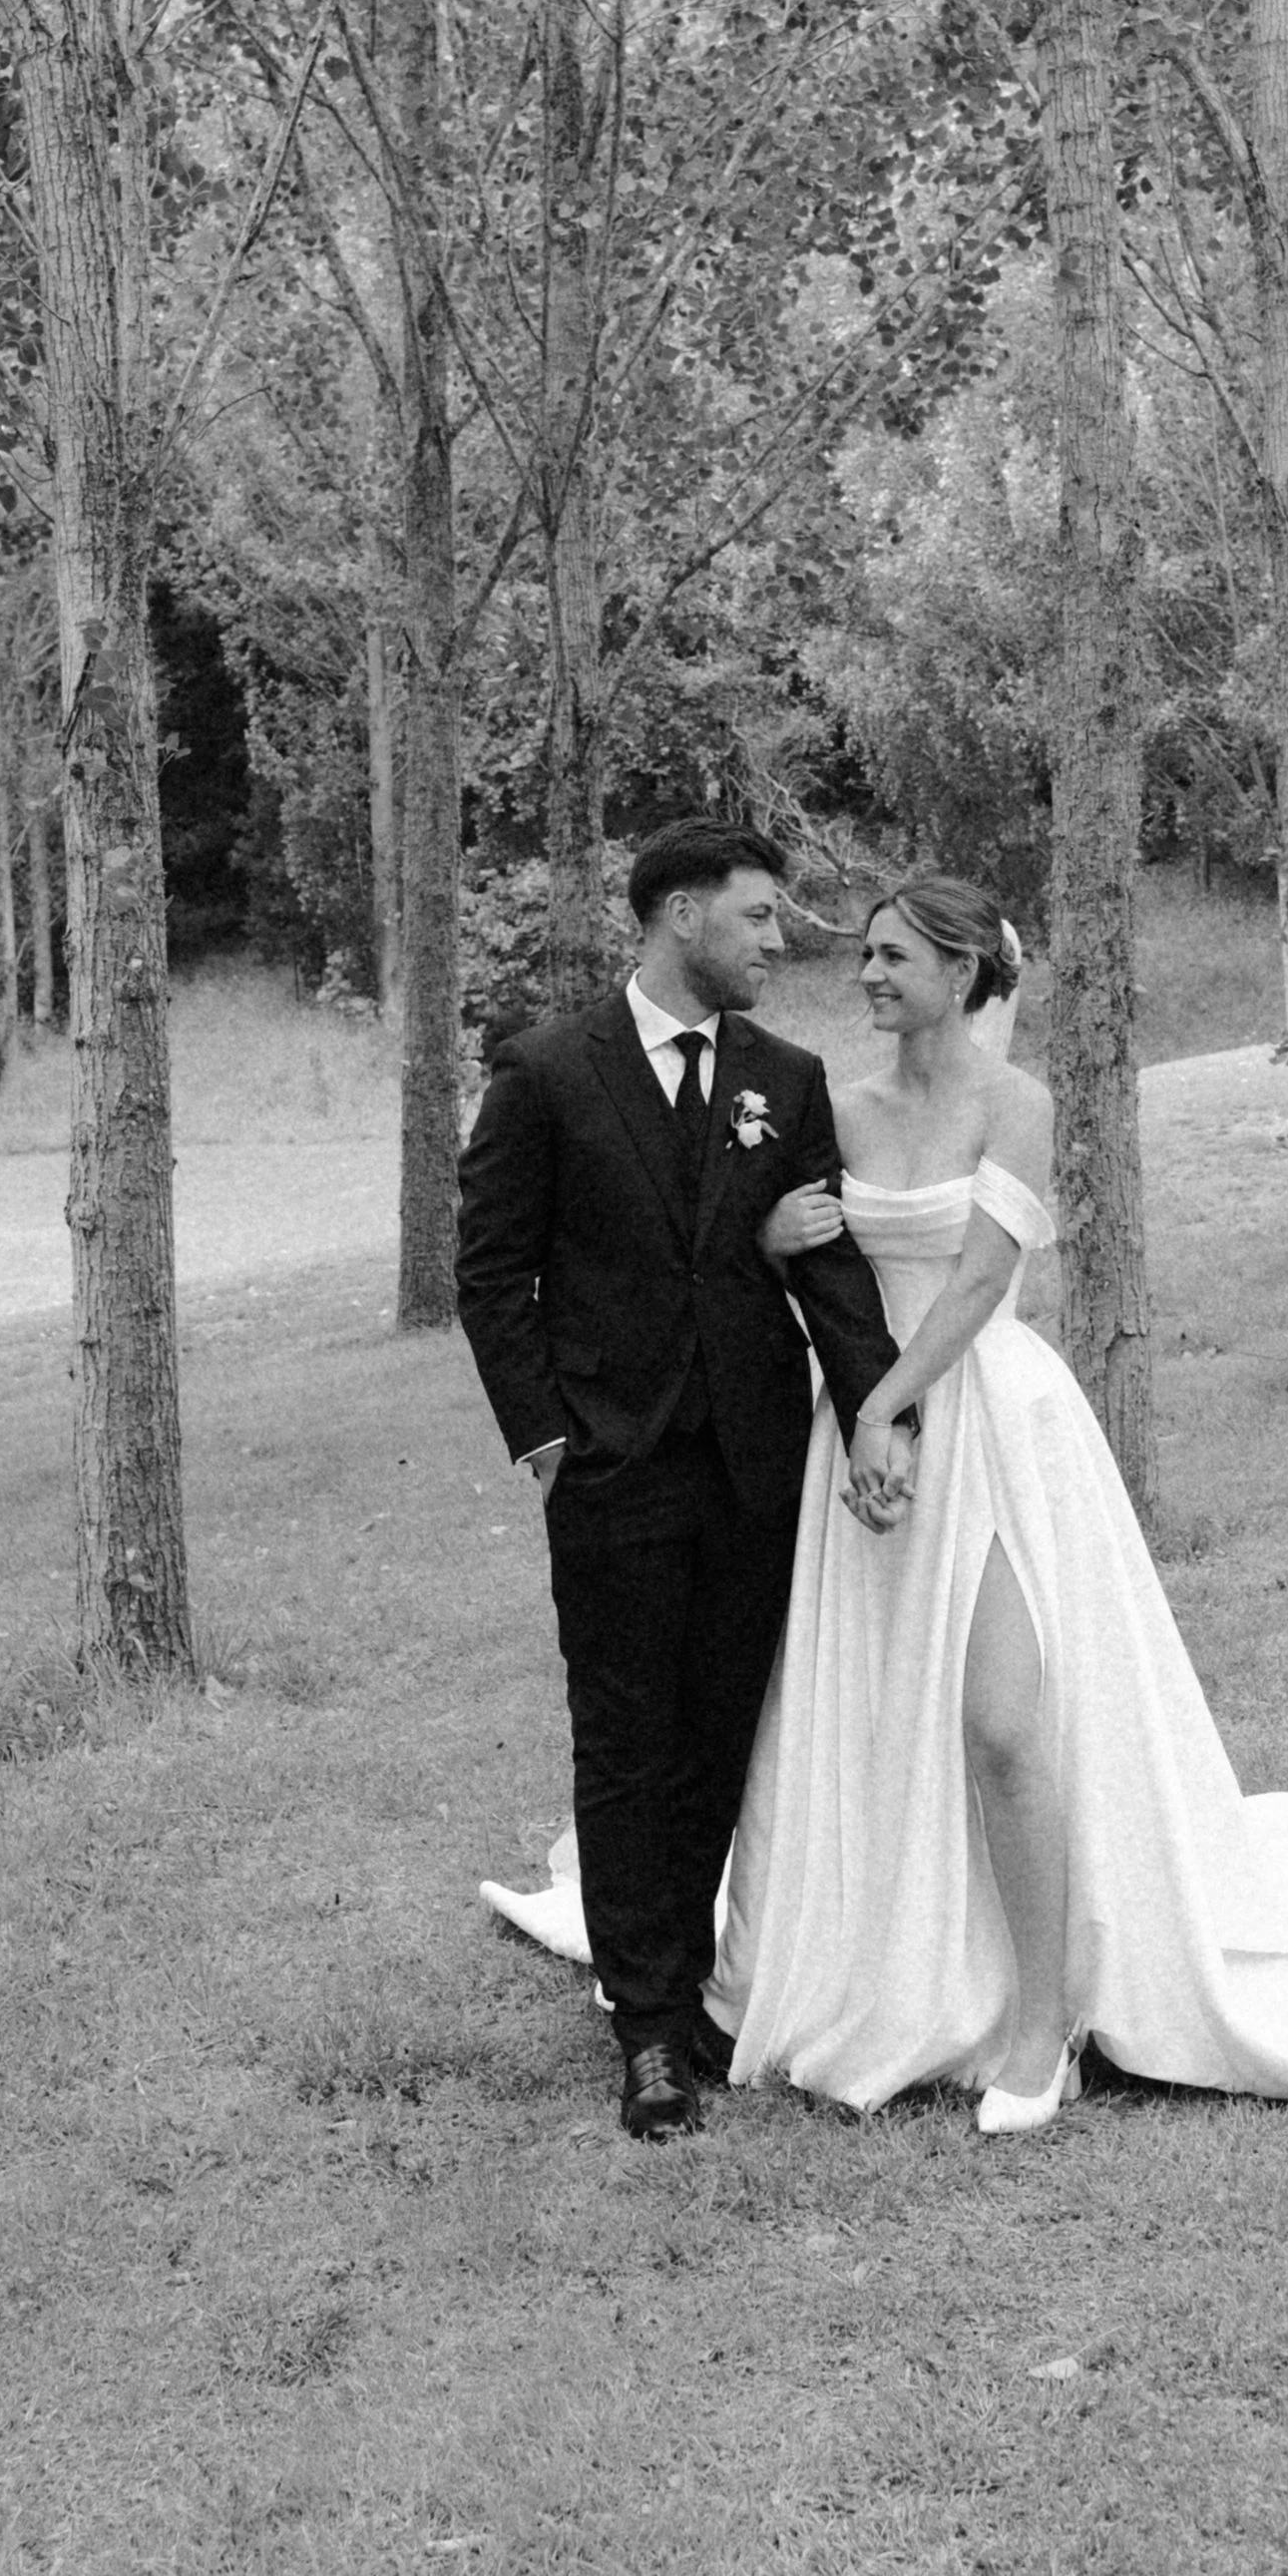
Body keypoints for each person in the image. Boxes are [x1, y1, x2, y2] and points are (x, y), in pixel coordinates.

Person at [712, 873, 1288, 2127]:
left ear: (961, 975)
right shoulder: (831, 1109)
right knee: (871, 1714)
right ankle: (893, 1967)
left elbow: (974, 1282)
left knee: (1006, 1728)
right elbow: (803, 1267)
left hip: (983, 1424)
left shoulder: (1017, 1105)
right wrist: (775, 1256)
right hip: (865, 1437)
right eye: (864, 956)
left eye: (894, 957)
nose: (866, 976)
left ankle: (1043, 2018)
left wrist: (884, 1407)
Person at [455, 820, 905, 2143]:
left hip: (757, 1460)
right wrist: (544, 1432)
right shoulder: (545, 1071)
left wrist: (883, 1409)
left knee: (717, 1733)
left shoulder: (787, 1075)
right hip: (612, 1462)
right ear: (677, 916)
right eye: (759, 915)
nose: (780, 939)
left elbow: (826, 1265)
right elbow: (491, 1271)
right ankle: (646, 2026)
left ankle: (693, 1984)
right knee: (627, 1739)